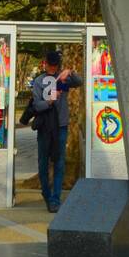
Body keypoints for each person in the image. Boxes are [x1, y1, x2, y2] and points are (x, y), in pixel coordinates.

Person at [21, 49, 83, 212]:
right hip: (44, 127)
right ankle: (47, 194)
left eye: (56, 66)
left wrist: (69, 72)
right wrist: (50, 100)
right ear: (45, 64)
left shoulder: (63, 77)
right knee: (43, 163)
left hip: (61, 126)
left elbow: (79, 81)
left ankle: (55, 199)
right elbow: (36, 105)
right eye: (51, 65)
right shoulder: (39, 81)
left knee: (59, 162)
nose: (53, 69)